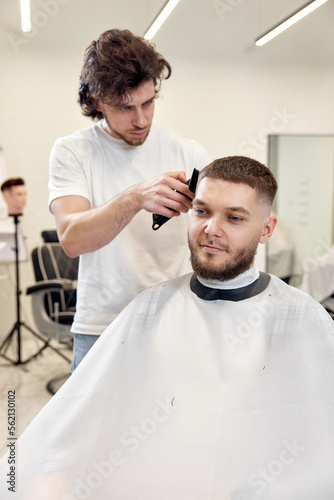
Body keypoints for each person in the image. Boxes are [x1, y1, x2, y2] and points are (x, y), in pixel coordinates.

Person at [1, 156, 333, 499]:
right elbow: (80, 420)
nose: (211, 229)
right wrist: (51, 474)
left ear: (266, 229)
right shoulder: (151, 308)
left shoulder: (298, 316)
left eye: (234, 217)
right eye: (202, 211)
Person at [48, 28, 211, 370]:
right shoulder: (73, 151)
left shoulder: (187, 151)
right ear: (95, 101)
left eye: (148, 102)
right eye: (124, 108)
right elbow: (72, 238)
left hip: (176, 322)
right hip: (101, 326)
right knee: (93, 424)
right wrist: (136, 197)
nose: (141, 120)